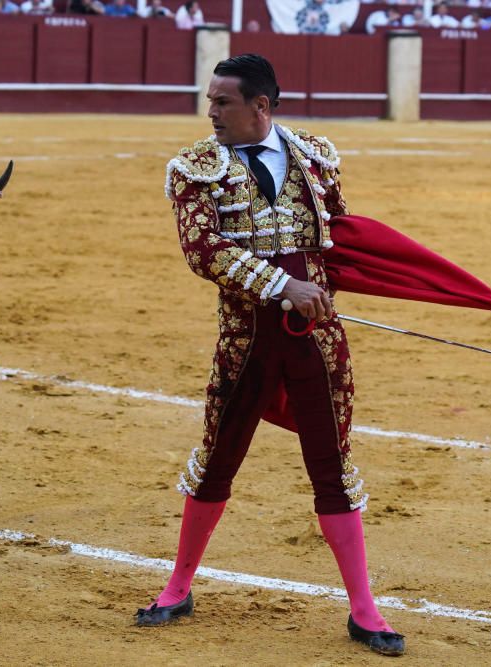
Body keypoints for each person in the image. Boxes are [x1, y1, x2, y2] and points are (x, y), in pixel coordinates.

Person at [135, 53, 405, 658]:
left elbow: (336, 233)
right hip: (246, 339)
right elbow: (203, 251)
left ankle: (365, 609)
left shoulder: (317, 156)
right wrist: (285, 286)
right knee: (218, 457)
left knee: (332, 463)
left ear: (261, 106)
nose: (211, 114)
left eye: (222, 102)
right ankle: (177, 588)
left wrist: (334, 288)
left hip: (316, 337)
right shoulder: (192, 169)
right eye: (209, 101)